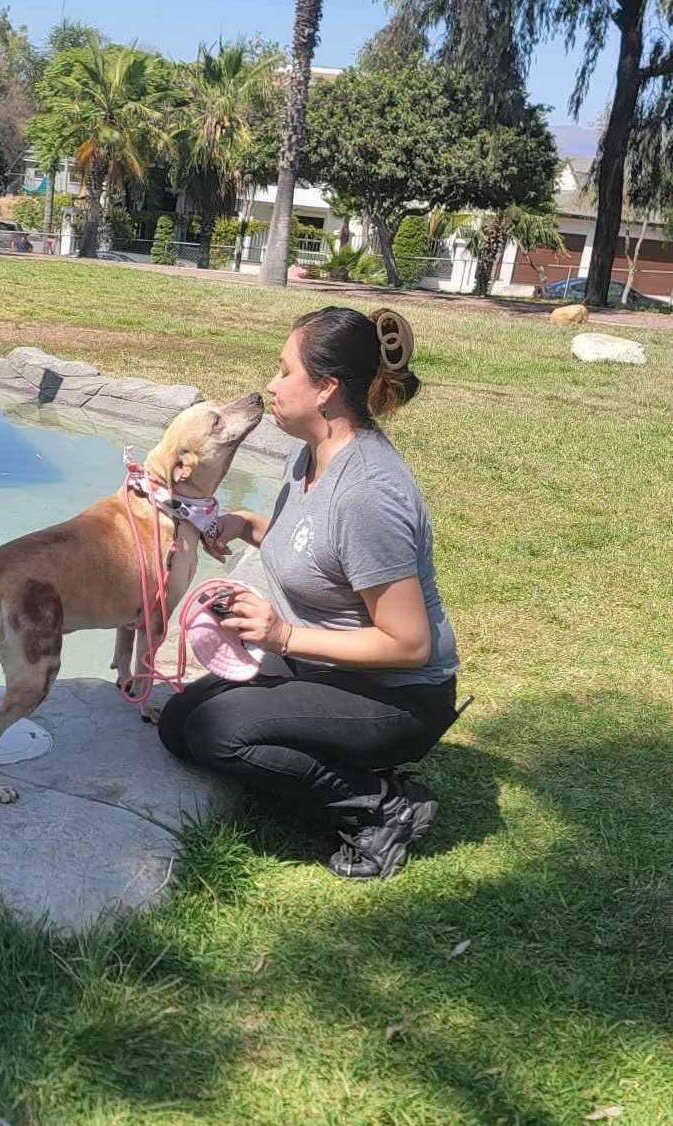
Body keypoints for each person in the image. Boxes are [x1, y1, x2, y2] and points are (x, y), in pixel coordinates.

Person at [158, 306, 461, 881]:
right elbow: (318, 552)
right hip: (330, 671)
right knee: (180, 722)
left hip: (398, 695)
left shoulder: (369, 495)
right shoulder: (311, 453)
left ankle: (382, 807)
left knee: (218, 732)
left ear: (325, 389)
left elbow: (409, 644)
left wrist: (284, 635)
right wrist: (247, 524)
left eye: (284, 370)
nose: (270, 385)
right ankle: (322, 777)